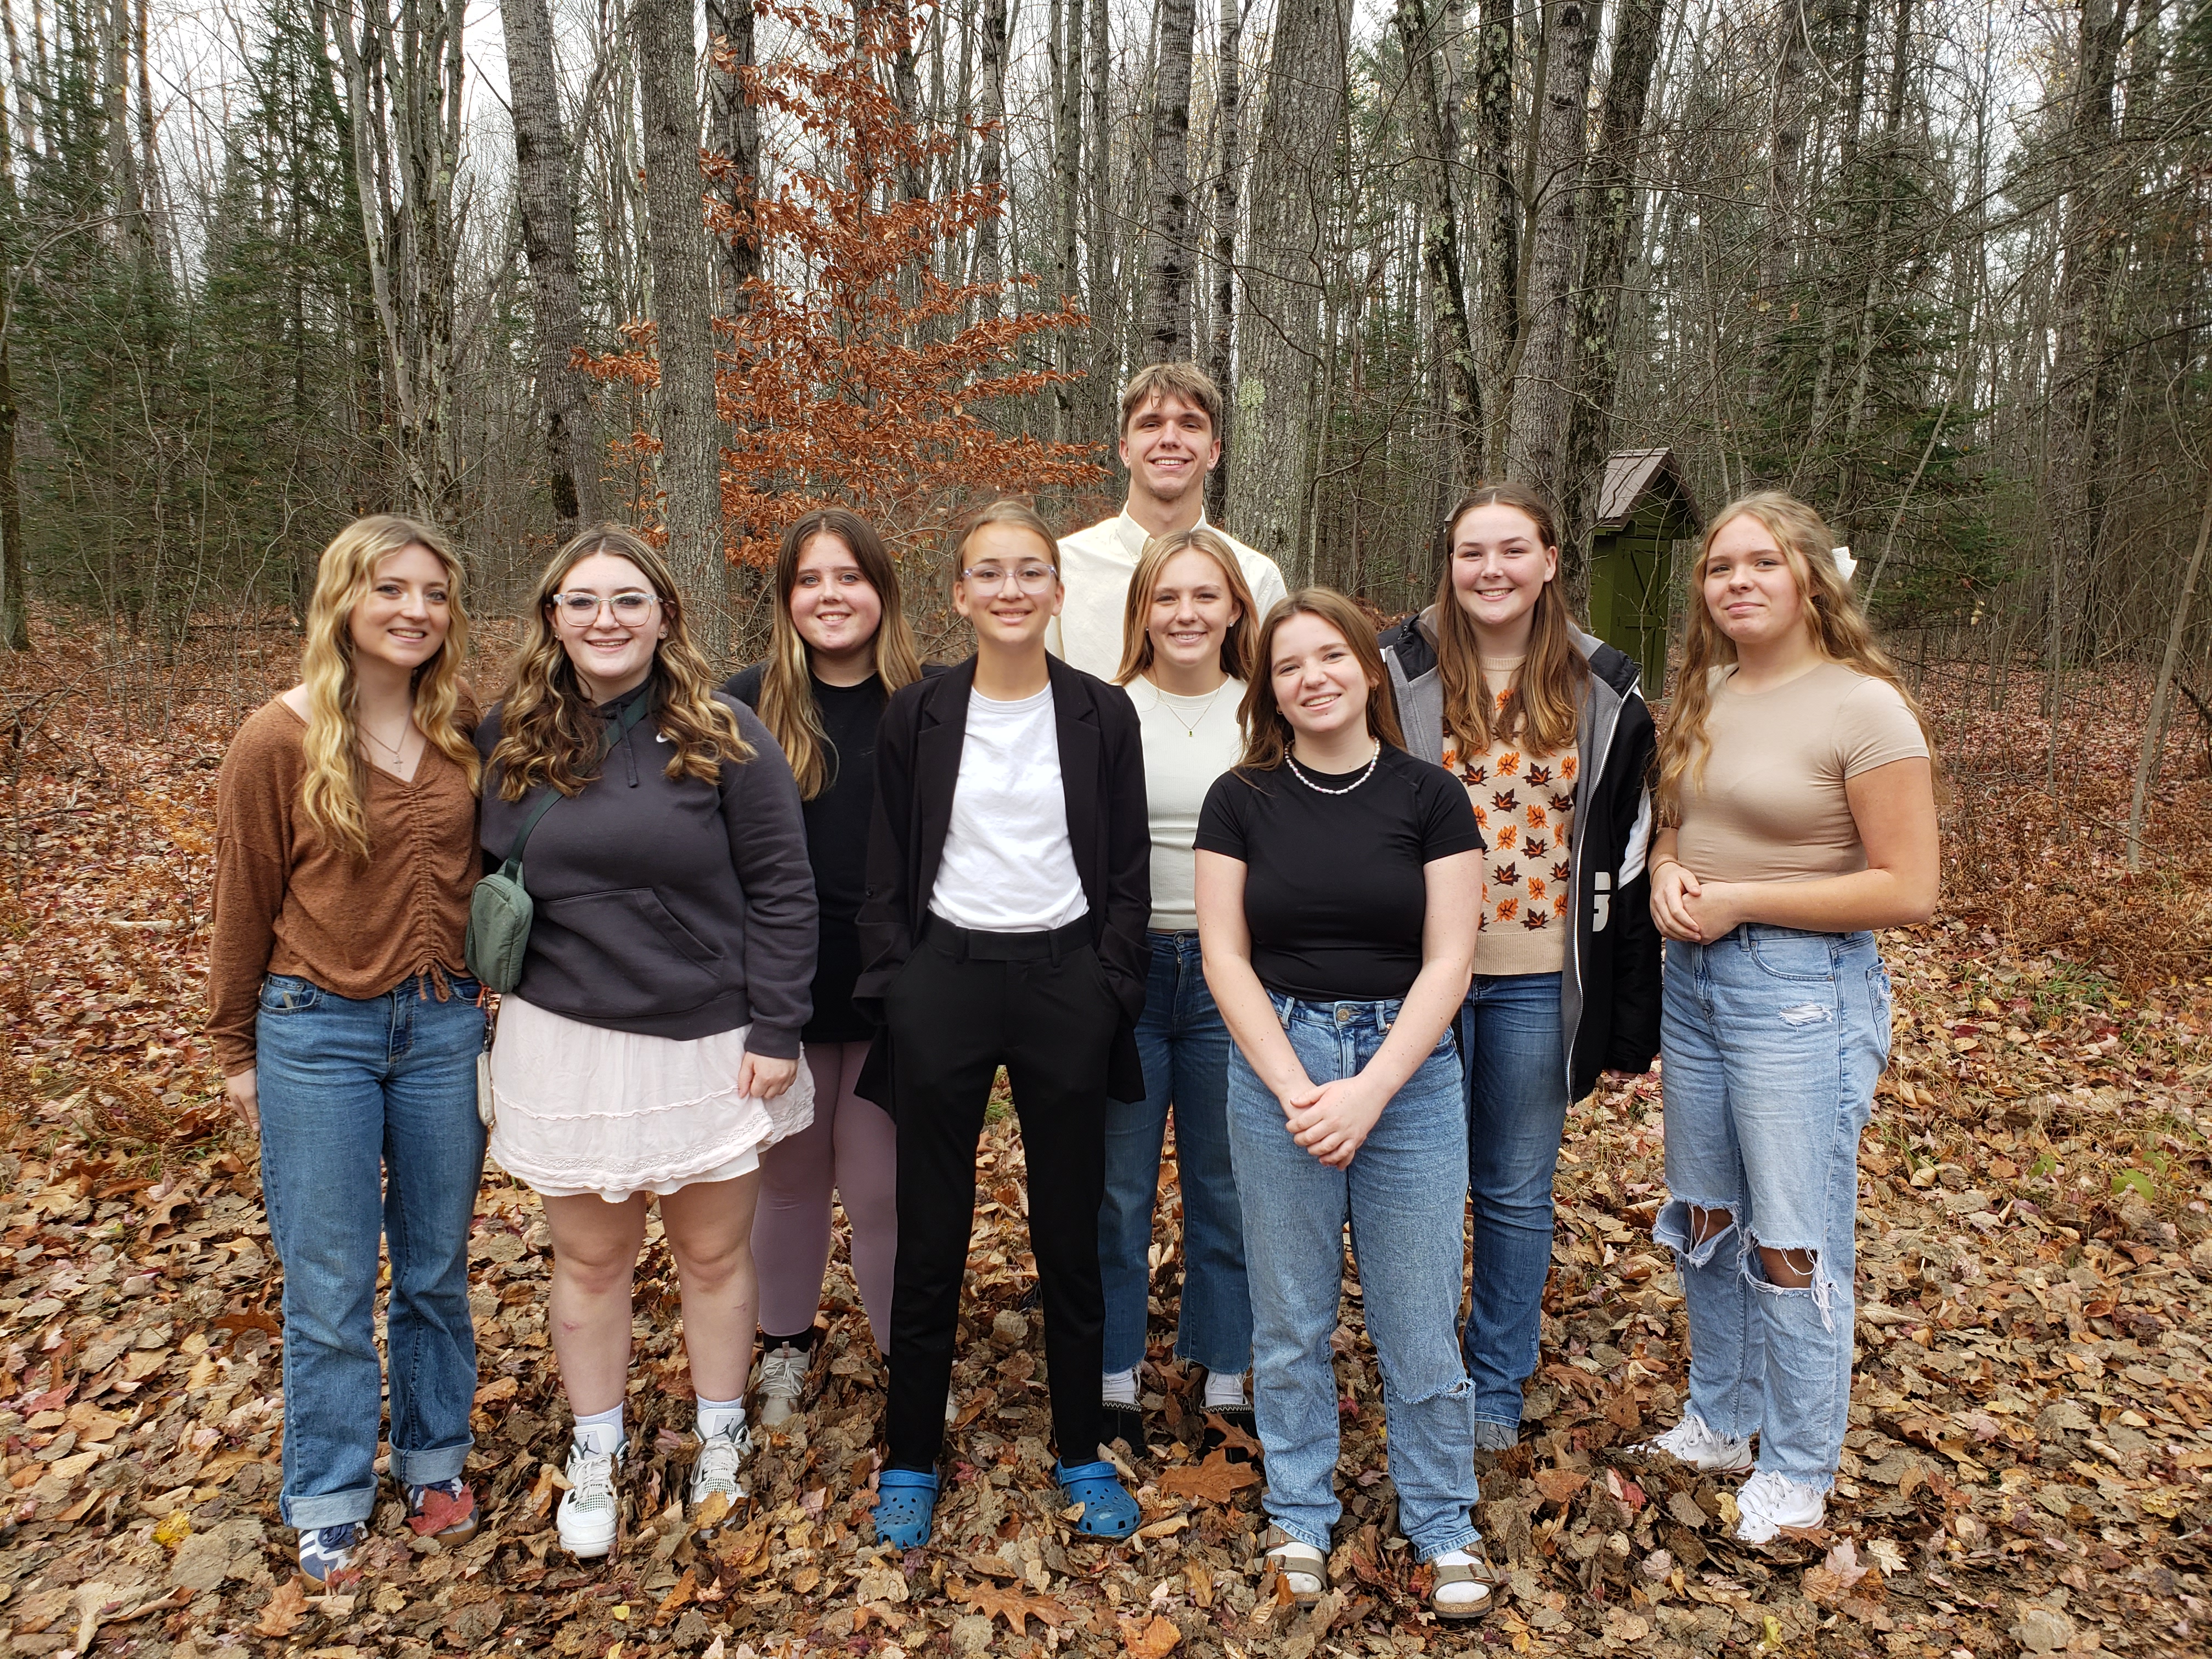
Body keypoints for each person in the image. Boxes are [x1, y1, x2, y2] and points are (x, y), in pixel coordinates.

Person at [476, 526, 818, 1560]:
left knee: (713, 1255)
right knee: (589, 1259)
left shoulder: (726, 735)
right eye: (581, 602)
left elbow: (783, 890)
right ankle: (599, 1447)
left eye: (628, 599)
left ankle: (720, 1437)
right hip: (564, 1039)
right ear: (552, 619)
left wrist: (778, 1023)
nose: (605, 620)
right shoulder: (507, 738)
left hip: (707, 1042)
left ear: (666, 613)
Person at [1639, 491, 1938, 1544]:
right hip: (1697, 983)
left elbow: (1910, 887)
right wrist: (1668, 876)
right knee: (1708, 1214)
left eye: (1759, 562)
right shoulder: (1706, 693)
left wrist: (1742, 900)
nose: (1737, 582)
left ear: (1810, 574)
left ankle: (1799, 1461)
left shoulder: (1862, 706)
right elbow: (1675, 827)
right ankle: (1722, 1416)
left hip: (1799, 994)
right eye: (1719, 567)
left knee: (1792, 1237)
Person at [1194, 588, 1495, 1621]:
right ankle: (1299, 1513)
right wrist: (1295, 1085)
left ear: (1368, 669)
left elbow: (1452, 956)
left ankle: (1442, 1518)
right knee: (1289, 1316)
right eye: (1287, 666)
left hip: (1405, 1071)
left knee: (1417, 1316)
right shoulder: (1240, 799)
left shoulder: (1430, 796)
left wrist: (1368, 1089)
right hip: (1277, 1058)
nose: (1311, 677)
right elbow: (1222, 955)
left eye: (1329, 656)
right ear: (1268, 689)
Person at [855, 499, 1148, 1548]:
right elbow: (886, 858)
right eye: (990, 572)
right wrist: (898, 975)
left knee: (1069, 1229)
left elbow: (1125, 866)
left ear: (1057, 591)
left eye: (1031, 571)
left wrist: (1111, 975)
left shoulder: (1100, 711)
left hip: (1067, 977)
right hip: (945, 977)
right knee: (929, 1230)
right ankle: (909, 1458)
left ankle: (1080, 1447)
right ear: (960, 593)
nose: (1012, 589)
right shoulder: (920, 710)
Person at [210, 514, 489, 1584]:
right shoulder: (275, 742)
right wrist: (235, 1048)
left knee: (433, 1268)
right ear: (344, 602)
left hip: (445, 1028)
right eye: (391, 590)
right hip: (312, 1032)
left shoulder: (463, 724)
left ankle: (433, 1461)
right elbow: (242, 901)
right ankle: (327, 1491)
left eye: (433, 593)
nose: (415, 610)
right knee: (329, 1278)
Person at [1379, 483, 1661, 1451]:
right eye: (1470, 552)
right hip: (1418, 972)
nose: (1489, 570)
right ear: (1447, 563)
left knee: (1509, 1186)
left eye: (1511, 550)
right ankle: (1419, 1371)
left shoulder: (1603, 685)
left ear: (1549, 561)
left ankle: (1495, 1384)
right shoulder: (1392, 669)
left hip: (1540, 974)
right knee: (1415, 1182)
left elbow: (1629, 843)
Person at [725, 509, 924, 1427]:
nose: (831, 594)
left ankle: (908, 1358)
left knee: (881, 1184)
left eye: (850, 576)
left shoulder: (929, 701)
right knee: (792, 1178)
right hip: (780, 992)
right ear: (785, 598)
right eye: (810, 578)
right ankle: (784, 1344)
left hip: (897, 987)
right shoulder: (738, 705)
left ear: (882, 592)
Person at [1098, 527, 1260, 1452]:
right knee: (1116, 1188)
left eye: (1205, 596)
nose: (1186, 613)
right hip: (1130, 969)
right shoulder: (1106, 709)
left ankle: (1228, 1368)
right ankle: (1114, 1368)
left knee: (1225, 1180)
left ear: (1235, 607)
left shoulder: (1266, 711)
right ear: (1142, 612)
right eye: (1167, 597)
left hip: (1234, 970)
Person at [1048, 362, 1288, 679]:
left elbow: (1279, 710)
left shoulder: (1256, 579)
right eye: (1151, 424)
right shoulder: (1064, 568)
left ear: (1214, 452)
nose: (1170, 439)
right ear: (1125, 450)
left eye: (1190, 425)